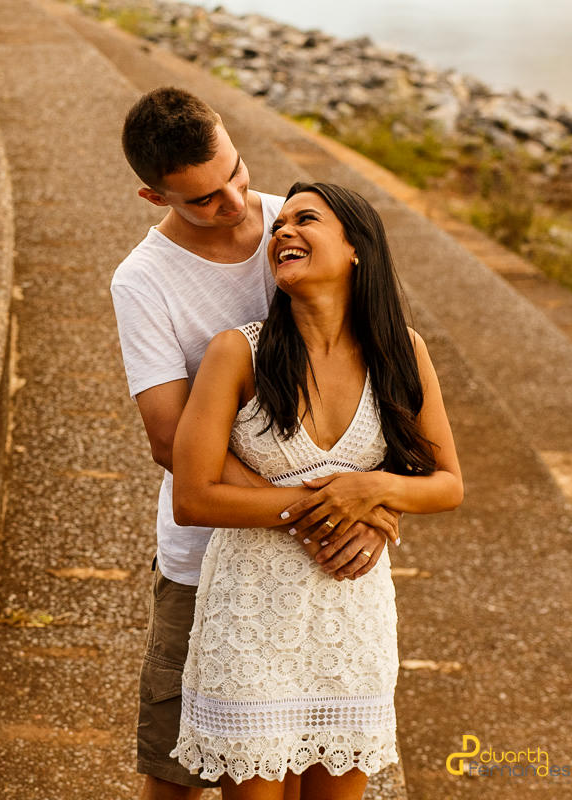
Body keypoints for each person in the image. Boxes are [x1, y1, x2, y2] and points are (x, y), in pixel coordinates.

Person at [111, 88, 400, 800]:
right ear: (154, 196)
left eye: (236, 173)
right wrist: (324, 512)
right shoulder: (144, 280)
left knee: (305, 760)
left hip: (326, 559)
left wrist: (379, 499)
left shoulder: (299, 224)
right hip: (207, 556)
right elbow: (169, 439)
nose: (236, 203)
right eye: (204, 199)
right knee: (175, 772)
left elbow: (380, 371)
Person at [168, 182, 463, 799]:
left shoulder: (403, 353)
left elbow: (446, 485)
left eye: (306, 220)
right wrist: (332, 509)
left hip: (352, 616)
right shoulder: (237, 353)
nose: (283, 232)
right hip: (249, 618)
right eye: (280, 226)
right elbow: (193, 497)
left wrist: (374, 489)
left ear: (357, 248)